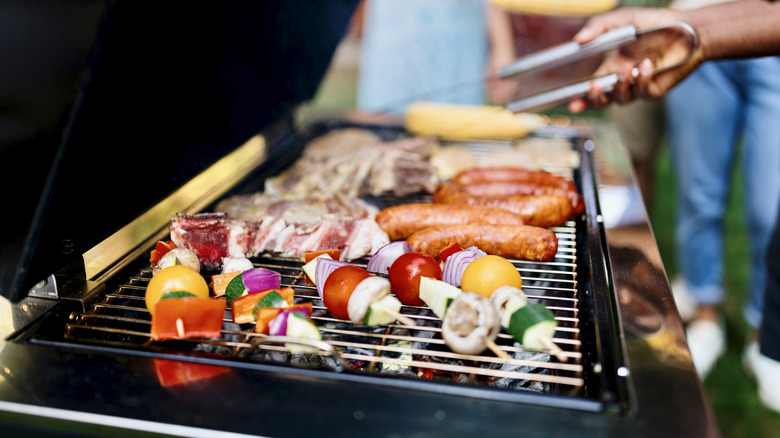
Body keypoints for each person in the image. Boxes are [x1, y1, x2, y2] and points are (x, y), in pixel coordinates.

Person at [567, 0, 780, 413]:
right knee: (700, 195)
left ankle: (764, 333)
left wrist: (685, 27)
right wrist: (682, 24)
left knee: (769, 211)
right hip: (699, 11)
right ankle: (705, 314)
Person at [356, 0, 517, 115]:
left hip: (453, 28)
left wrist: (502, 48)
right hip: (394, 29)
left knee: (455, 125)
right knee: (383, 125)